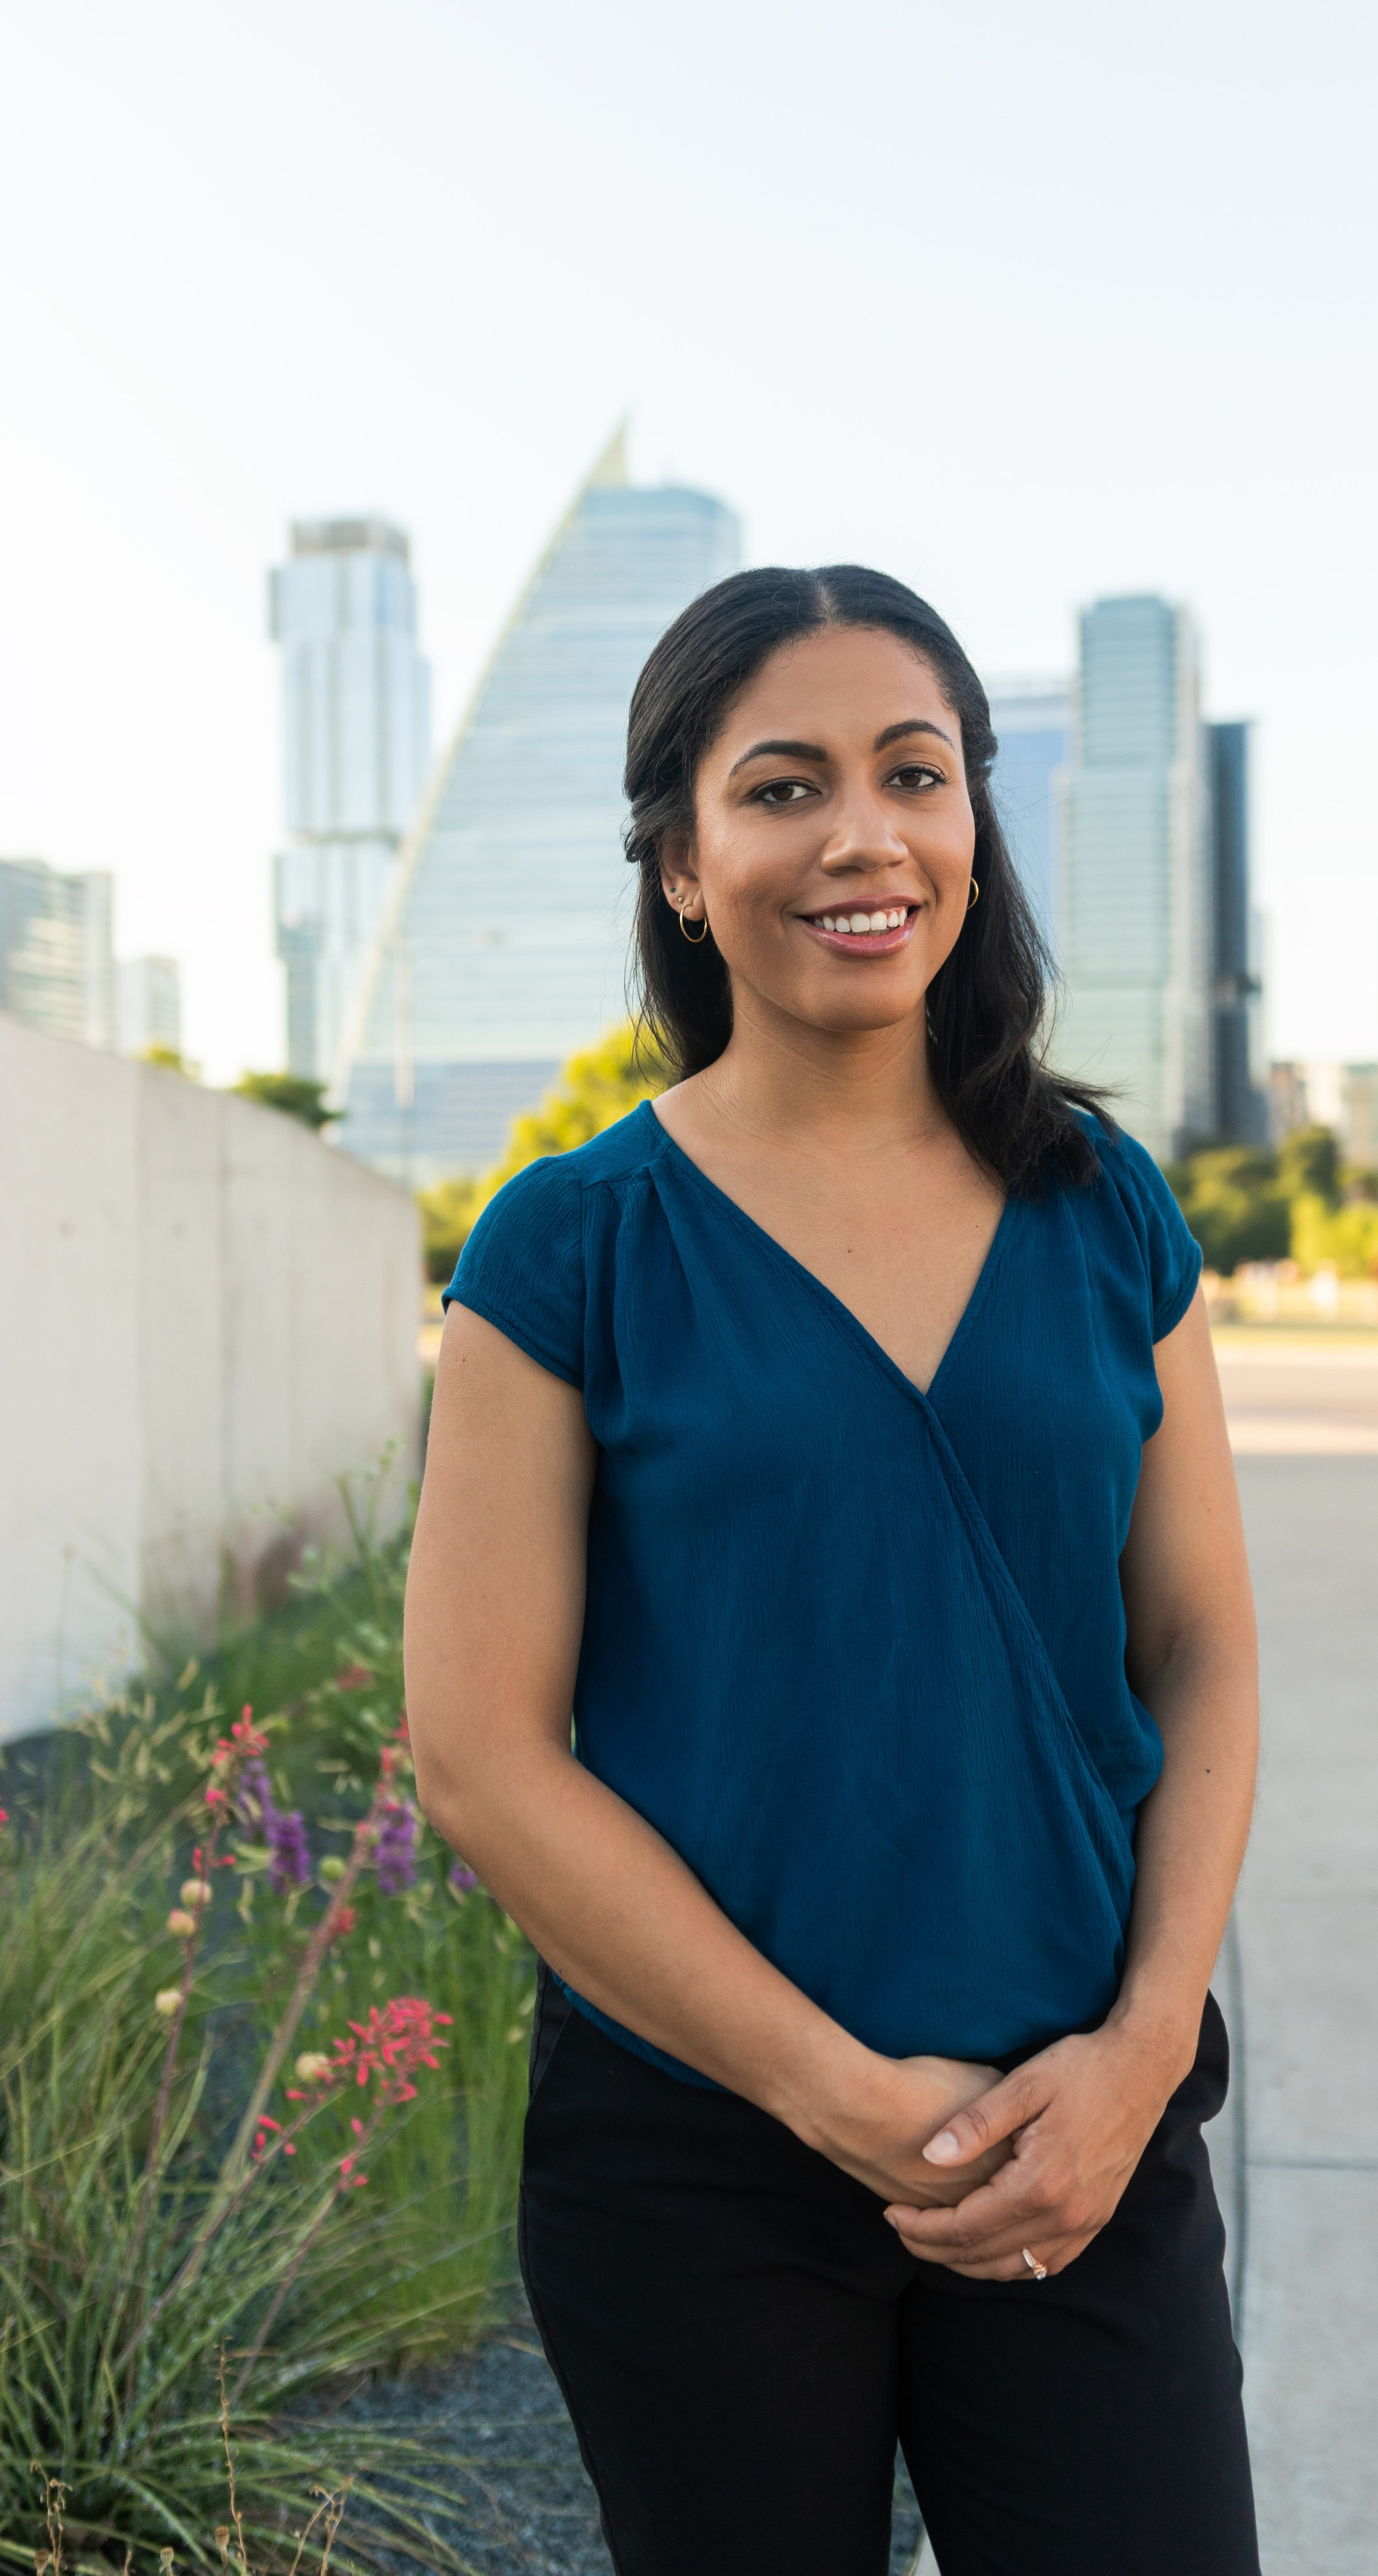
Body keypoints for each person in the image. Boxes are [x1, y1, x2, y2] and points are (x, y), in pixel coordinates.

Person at [405, 565, 1262, 2576]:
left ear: (974, 822)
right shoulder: (568, 1247)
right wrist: (844, 2098)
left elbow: (1202, 1643)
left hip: (1085, 2121)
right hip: (702, 2158)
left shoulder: (1104, 1207)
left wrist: (1145, 2047)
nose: (863, 835)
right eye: (782, 787)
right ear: (683, 865)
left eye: (915, 774)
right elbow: (481, 1754)